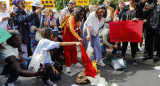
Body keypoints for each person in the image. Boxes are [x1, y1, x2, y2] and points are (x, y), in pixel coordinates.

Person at [116, 0, 146, 66]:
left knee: (134, 43)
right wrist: (118, 18)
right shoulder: (125, 8)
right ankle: (123, 57)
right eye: (130, 1)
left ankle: (133, 58)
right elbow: (120, 15)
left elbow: (143, 18)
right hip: (126, 28)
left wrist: (137, 19)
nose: (131, 2)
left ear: (135, 1)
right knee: (124, 43)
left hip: (135, 28)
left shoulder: (139, 8)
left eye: (133, 1)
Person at [62, 6, 86, 73]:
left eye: (83, 14)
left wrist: (78, 31)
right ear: (77, 13)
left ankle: (75, 62)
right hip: (66, 33)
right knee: (67, 49)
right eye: (80, 14)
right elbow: (71, 29)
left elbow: (75, 28)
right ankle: (68, 66)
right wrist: (78, 37)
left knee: (74, 48)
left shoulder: (77, 18)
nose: (82, 16)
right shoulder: (71, 17)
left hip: (73, 33)